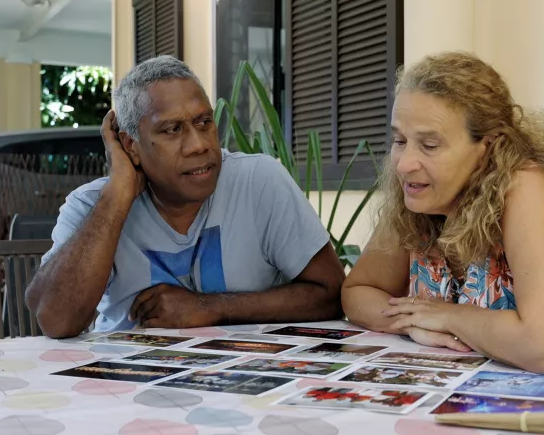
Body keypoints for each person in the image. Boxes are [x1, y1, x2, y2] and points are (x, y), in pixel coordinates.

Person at [341, 52, 544, 393]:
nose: (403, 165)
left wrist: (447, 316)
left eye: (429, 145)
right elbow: (357, 293)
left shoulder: (526, 186)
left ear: (488, 147)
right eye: (400, 141)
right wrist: (413, 324)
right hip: (478, 399)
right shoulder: (419, 200)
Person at [26, 55, 345, 338]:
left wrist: (213, 308)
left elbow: (331, 294)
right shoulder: (93, 204)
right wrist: (117, 196)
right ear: (131, 146)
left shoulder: (257, 182)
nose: (199, 145)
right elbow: (55, 321)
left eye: (204, 122)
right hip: (124, 384)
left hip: (240, 380)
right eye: (172, 130)